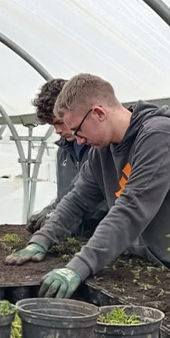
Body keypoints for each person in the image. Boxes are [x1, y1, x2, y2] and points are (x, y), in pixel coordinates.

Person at [5, 73, 170, 298]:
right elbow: (77, 199)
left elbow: (131, 209)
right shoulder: (101, 152)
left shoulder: (160, 137)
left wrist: (77, 267)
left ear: (99, 113)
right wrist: (41, 241)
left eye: (78, 130)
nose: (78, 140)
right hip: (143, 266)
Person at [26, 77, 106, 236]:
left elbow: (105, 202)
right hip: (73, 239)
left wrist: (57, 217)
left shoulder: (101, 146)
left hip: (101, 239)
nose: (57, 130)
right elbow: (64, 196)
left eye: (60, 122)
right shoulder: (63, 150)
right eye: (52, 125)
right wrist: (48, 211)